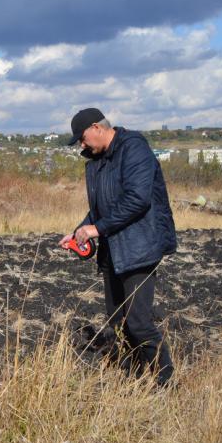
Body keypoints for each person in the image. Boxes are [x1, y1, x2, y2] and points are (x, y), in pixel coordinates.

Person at [59, 108, 177, 386]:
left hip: (140, 247)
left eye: (83, 138)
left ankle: (166, 383)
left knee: (138, 323)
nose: (82, 145)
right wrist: (80, 231)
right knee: (118, 322)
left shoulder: (133, 149)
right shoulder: (98, 161)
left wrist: (95, 229)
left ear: (97, 127)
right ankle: (135, 380)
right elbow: (102, 209)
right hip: (113, 250)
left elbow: (137, 199)